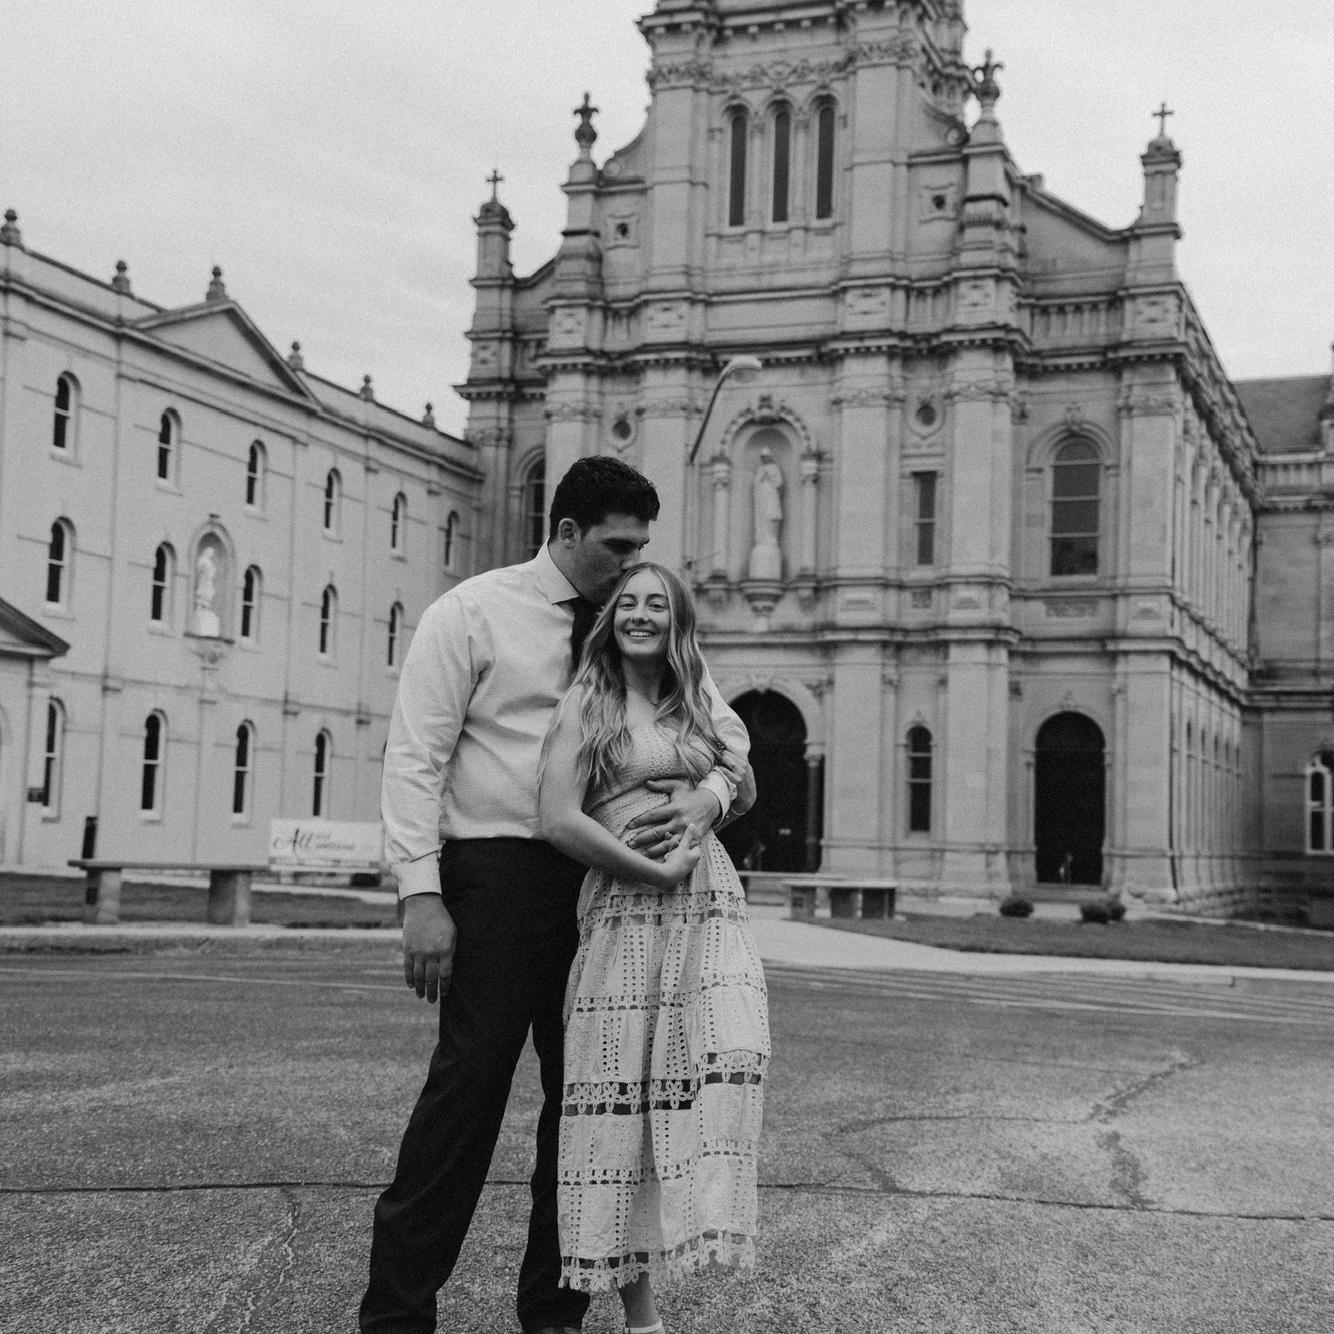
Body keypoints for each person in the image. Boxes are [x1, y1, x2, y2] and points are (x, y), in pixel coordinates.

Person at [362, 456, 754, 1334]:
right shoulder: (473, 613)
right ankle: (395, 1318)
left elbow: (730, 745)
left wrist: (709, 795)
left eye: (643, 547)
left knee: (590, 1110)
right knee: (466, 1097)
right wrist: (420, 895)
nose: (633, 564)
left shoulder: (643, 630)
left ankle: (554, 1315)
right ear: (567, 532)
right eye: (617, 546)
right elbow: (415, 758)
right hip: (498, 878)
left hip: (610, 892)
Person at [538, 562, 769, 1334]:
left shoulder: (695, 700)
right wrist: (650, 870)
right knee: (627, 1101)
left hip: (709, 908)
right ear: (612, 620)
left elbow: (742, 782)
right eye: (629, 603)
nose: (640, 614)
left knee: (732, 1051)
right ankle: (642, 1316)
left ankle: (701, 1222)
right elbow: (557, 818)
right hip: (625, 912)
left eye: (657, 605)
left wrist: (707, 797)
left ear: (678, 623)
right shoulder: (588, 703)